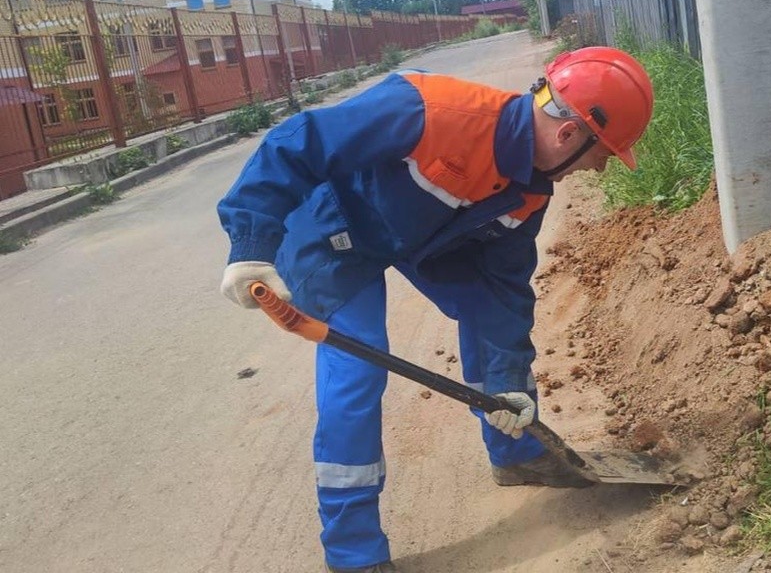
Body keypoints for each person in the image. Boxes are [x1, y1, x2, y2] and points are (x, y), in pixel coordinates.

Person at [217, 46, 654, 573]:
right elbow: (297, 142)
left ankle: (514, 452)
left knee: (487, 315)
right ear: (568, 134)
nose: (595, 167)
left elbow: (503, 290)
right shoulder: (431, 110)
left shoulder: (530, 192)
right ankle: (353, 551)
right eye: (598, 154)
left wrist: (508, 382)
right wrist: (250, 246)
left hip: (415, 237)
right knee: (358, 370)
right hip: (331, 231)